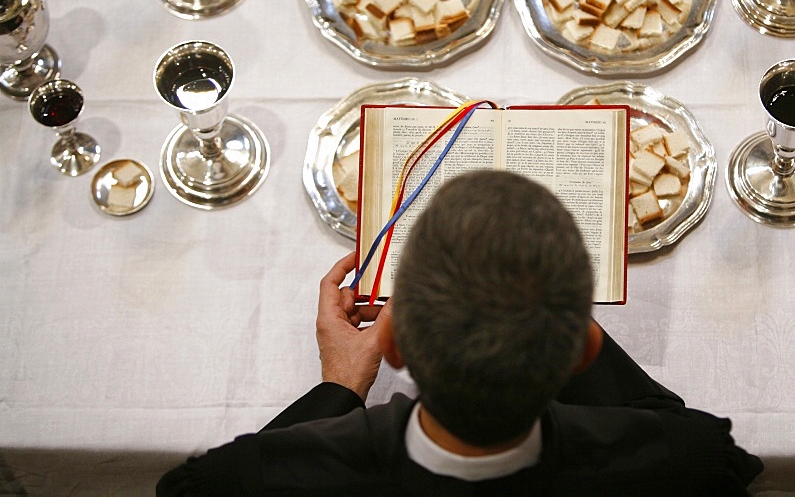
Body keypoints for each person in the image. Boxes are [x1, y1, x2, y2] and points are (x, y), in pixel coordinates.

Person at [157, 170, 763, 494]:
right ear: (586, 347)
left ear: (391, 345)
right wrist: (546, 305)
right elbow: (691, 442)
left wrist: (339, 387)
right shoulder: (679, 462)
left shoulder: (253, 481)